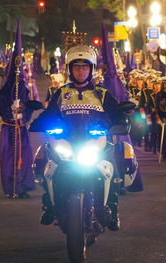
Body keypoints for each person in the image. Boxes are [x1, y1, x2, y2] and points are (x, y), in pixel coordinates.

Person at [35, 45, 126, 231]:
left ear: (91, 69)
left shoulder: (102, 94)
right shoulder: (60, 94)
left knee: (112, 169)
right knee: (47, 166)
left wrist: (122, 120)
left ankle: (113, 208)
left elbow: (116, 113)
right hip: (65, 143)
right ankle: (50, 205)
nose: (81, 70)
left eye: (85, 67)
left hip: (95, 142)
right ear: (69, 69)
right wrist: (39, 122)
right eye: (76, 67)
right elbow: (49, 114)